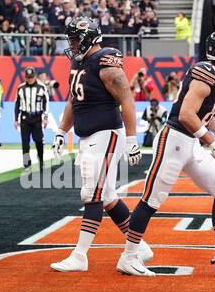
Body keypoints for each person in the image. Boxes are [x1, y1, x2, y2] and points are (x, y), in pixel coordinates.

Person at [117, 29, 215, 276]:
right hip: (175, 140)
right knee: (152, 199)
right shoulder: (207, 72)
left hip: (190, 142)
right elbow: (186, 114)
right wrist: (211, 139)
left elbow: (203, 113)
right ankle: (128, 257)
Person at [49, 17, 147, 273]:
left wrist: (132, 139)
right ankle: (139, 245)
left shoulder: (106, 61)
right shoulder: (78, 62)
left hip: (106, 135)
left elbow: (127, 99)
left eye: (74, 39)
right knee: (108, 196)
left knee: (92, 194)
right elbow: (74, 98)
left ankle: (80, 256)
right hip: (88, 136)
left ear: (89, 38)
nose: (71, 44)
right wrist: (61, 130)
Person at [15, 66, 50, 170]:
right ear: (25, 77)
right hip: (25, 117)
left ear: (35, 76)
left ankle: (41, 160)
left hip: (37, 117)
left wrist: (45, 117)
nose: (29, 79)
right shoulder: (20, 88)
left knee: (39, 141)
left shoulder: (42, 87)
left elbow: (46, 103)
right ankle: (27, 164)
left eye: (31, 77)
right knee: (25, 142)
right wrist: (16, 119)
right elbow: (17, 104)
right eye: (28, 77)